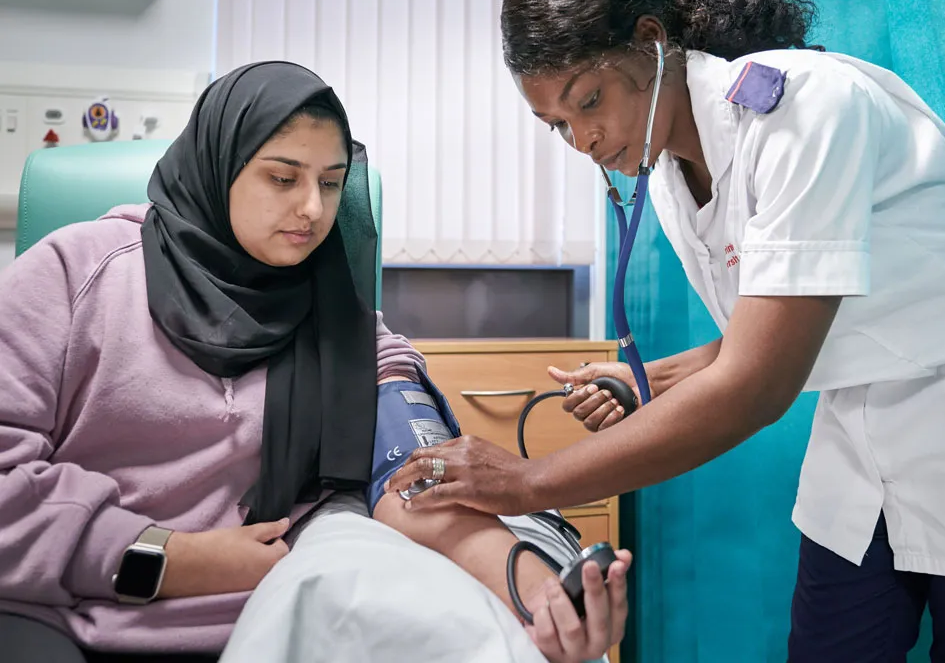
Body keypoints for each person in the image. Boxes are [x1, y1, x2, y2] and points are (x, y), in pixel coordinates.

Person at [387, 0, 945, 662]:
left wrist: (526, 482)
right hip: (872, 414)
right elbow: (770, 321)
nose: (583, 141)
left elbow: (758, 382)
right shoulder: (674, 163)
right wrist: (646, 380)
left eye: (589, 101)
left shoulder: (803, 109)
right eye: (556, 124)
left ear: (652, 40)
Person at [0, 61, 627, 663]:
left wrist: (534, 598)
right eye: (282, 177)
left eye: (330, 183)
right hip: (59, 607)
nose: (312, 209)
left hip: (262, 618)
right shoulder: (73, 275)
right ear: (219, 168)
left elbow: (412, 474)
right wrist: (174, 558)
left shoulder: (347, 326)